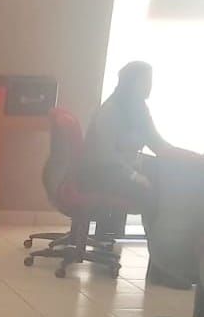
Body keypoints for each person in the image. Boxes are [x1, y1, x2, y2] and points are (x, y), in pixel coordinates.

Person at [82, 61, 195, 286]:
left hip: (125, 169)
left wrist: (192, 158)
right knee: (157, 198)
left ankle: (175, 263)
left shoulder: (140, 109)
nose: (149, 86)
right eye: (145, 81)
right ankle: (162, 268)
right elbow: (105, 155)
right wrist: (134, 176)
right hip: (103, 173)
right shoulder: (111, 110)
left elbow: (159, 145)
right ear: (130, 83)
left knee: (174, 186)